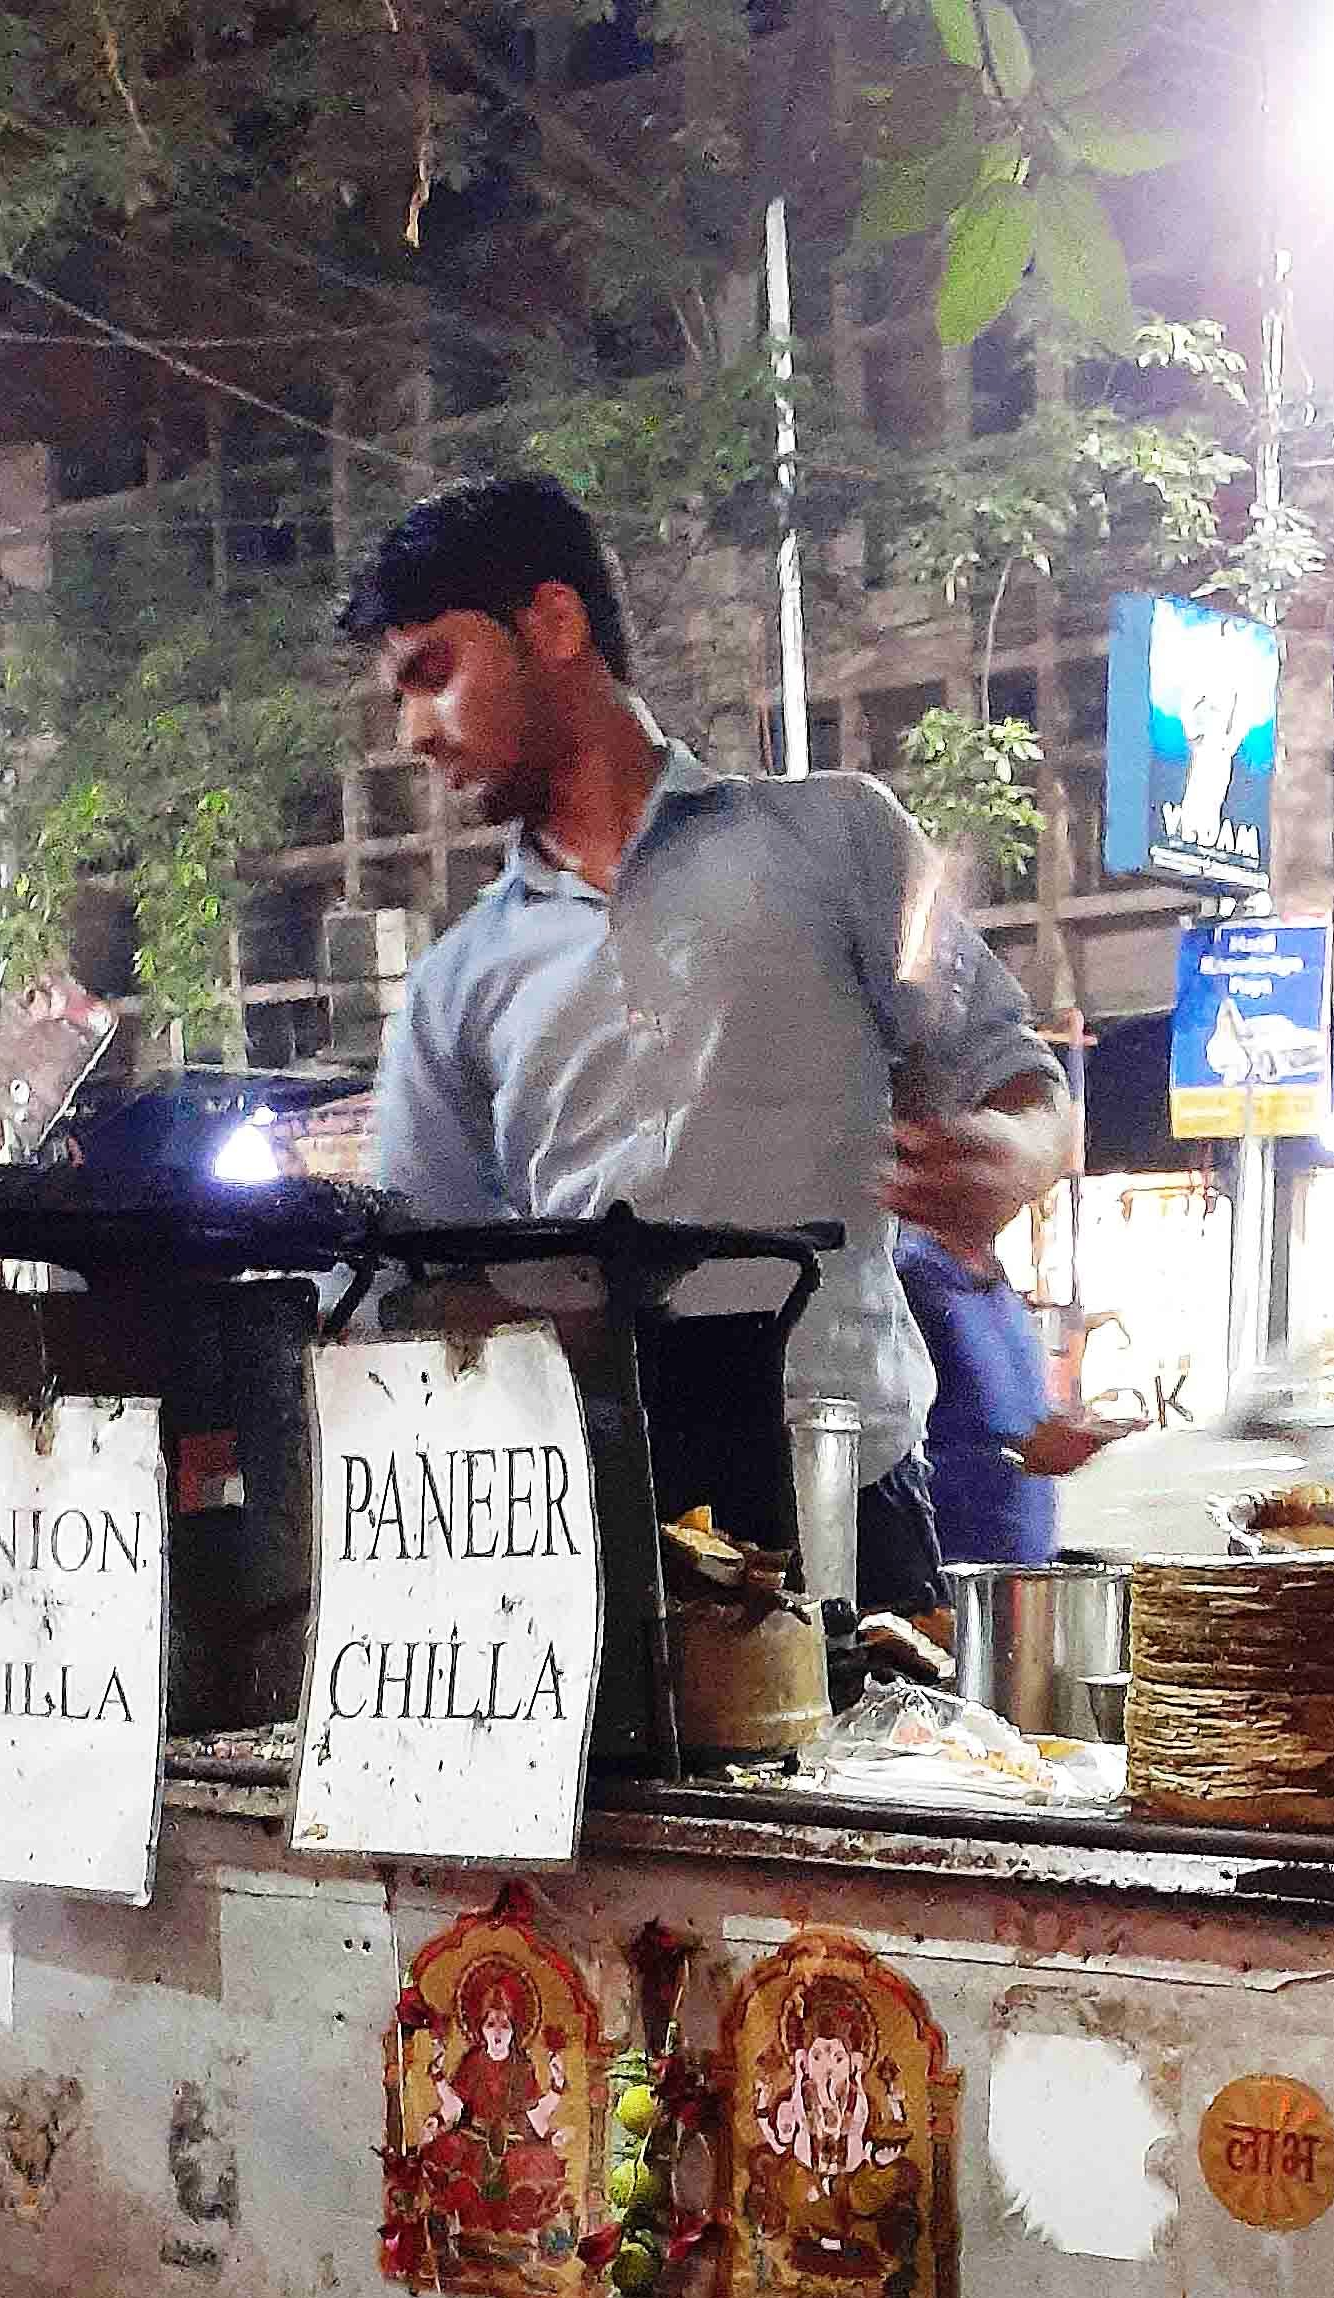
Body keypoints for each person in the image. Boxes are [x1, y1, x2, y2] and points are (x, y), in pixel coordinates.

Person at [341, 474, 1076, 1617]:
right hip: (587, 1540)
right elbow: (407, 1283)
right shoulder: (453, 989)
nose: (414, 731)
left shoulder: (844, 840)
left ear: (554, 622)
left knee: (889, 1788)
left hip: (853, 1507)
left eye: (433, 672)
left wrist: (1017, 1155)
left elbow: (1017, 1072)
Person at [894, 1224, 1118, 1566]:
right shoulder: (912, 1275)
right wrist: (1018, 1451)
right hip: (945, 1571)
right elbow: (890, 1448)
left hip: (1023, 1561)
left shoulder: (993, 1280)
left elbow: (996, 1414)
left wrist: (1057, 1430)